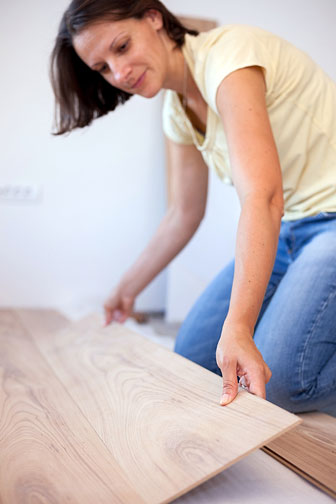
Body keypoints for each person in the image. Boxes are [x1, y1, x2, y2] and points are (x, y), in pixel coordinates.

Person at [51, 0, 336, 415]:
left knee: (285, 384)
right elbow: (184, 212)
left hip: (329, 222)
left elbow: (264, 196)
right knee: (194, 356)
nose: (119, 73)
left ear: (153, 18)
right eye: (102, 69)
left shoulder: (230, 56)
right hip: (290, 229)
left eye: (122, 47)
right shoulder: (176, 112)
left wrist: (239, 327)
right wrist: (126, 290)